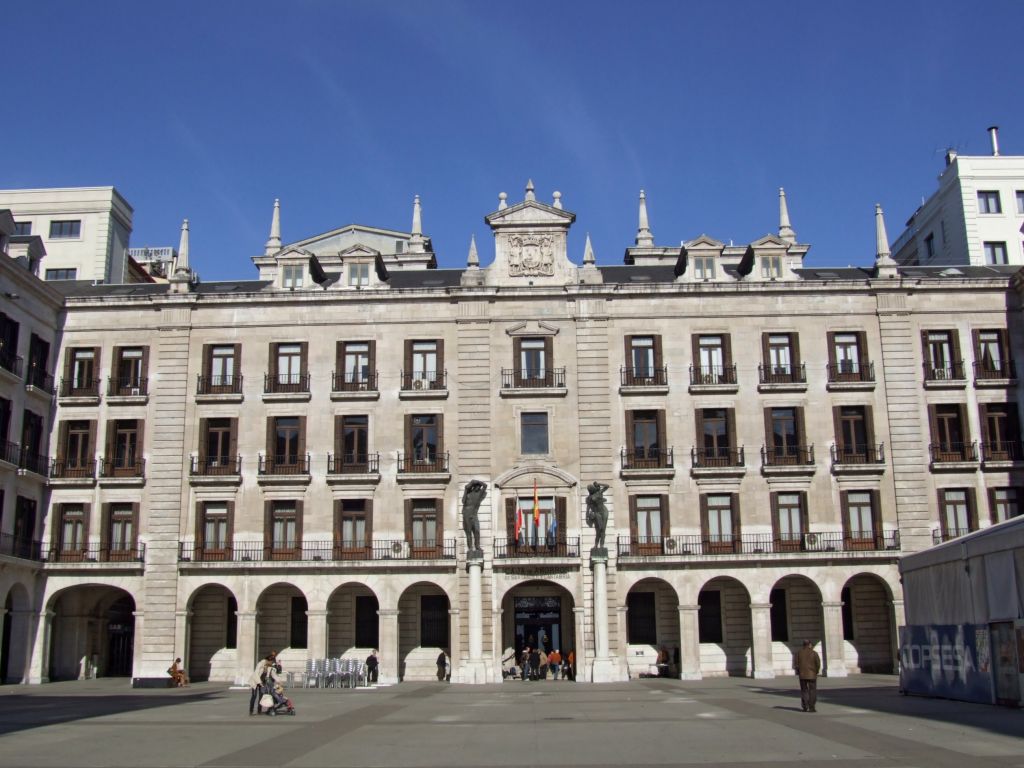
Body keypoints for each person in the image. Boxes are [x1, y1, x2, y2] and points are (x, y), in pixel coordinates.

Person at [794, 640, 821, 712]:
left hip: (802, 675)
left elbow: (796, 664)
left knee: (804, 691)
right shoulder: (814, 653)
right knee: (812, 691)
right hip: (812, 675)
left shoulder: (798, 653)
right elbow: (818, 663)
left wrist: (799, 672)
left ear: (803, 645)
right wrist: (816, 671)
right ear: (809, 645)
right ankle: (812, 707)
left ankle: (805, 706)